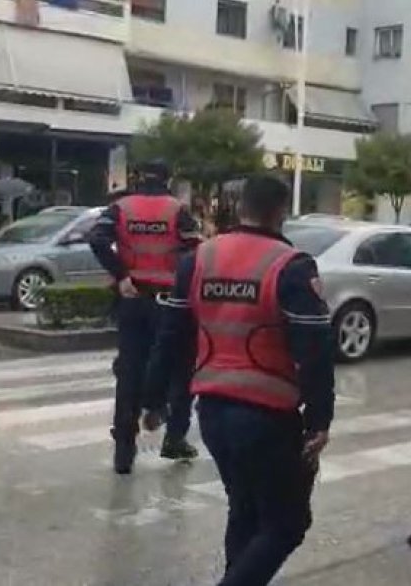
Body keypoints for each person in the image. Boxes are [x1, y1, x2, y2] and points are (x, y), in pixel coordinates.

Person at [142, 174, 335, 586]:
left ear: (240, 206)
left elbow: (171, 335)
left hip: (212, 412)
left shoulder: (199, 260)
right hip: (267, 417)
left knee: (245, 510)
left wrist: (152, 398)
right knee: (287, 524)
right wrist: (320, 420)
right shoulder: (292, 266)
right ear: (281, 211)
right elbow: (315, 351)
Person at [88, 160, 202, 475]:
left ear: (139, 179)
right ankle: (173, 433)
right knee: (181, 369)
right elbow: (195, 252)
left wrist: (121, 275)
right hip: (169, 304)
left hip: (132, 300)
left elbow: (96, 238)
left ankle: (124, 451)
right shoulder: (177, 210)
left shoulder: (120, 208)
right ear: (169, 179)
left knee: (129, 371)